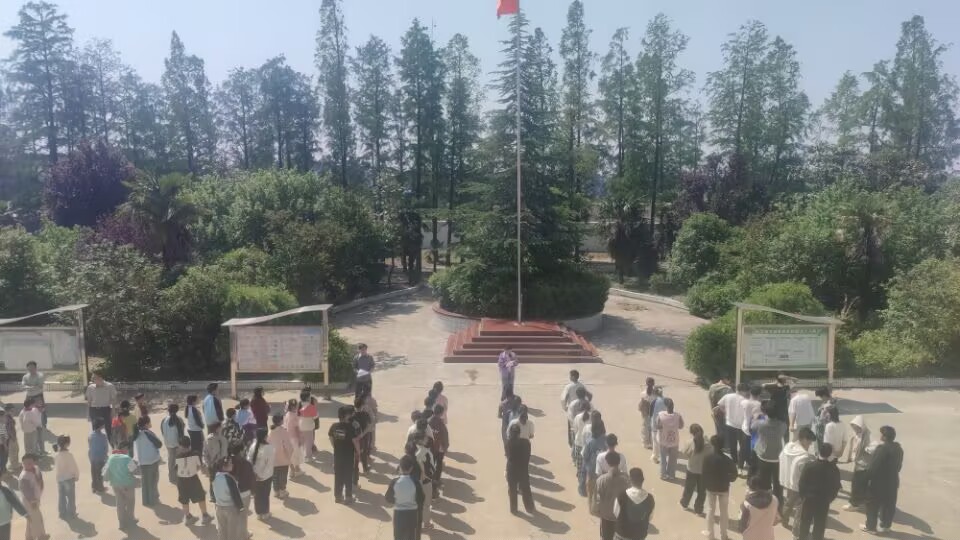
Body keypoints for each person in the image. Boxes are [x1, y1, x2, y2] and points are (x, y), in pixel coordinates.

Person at [862, 425, 903, 534]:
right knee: (888, 504)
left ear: (884, 436)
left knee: (872, 504)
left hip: (879, 482)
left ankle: (871, 527)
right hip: (892, 481)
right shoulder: (898, 449)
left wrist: (866, 478)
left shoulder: (882, 449)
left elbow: (874, 467)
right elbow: (899, 466)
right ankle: (885, 525)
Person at [796, 442, 841, 540]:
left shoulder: (809, 466)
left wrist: (803, 496)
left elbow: (801, 483)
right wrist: (830, 499)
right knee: (820, 525)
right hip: (824, 501)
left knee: (805, 522)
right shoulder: (834, 469)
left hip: (809, 499)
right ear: (830, 454)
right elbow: (836, 487)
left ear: (819, 451)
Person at [702, 434, 738, 540]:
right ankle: (723, 535)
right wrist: (727, 479)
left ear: (712, 444)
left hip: (711, 488)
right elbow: (734, 475)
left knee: (710, 510)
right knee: (724, 512)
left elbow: (703, 474)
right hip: (723, 488)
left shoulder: (707, 458)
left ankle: (710, 536)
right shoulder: (727, 459)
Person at [779, 426, 816, 529]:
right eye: (809, 442)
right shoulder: (804, 456)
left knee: (788, 503)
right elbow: (802, 472)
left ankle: (784, 520)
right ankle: (796, 529)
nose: (810, 444)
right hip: (798, 485)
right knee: (800, 508)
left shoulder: (788, 447)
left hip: (786, 480)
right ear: (803, 439)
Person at [752, 400, 787, 503]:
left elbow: (752, 427)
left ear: (765, 412)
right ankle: (778, 501)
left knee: (764, 480)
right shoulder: (783, 425)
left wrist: (757, 417)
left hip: (763, 456)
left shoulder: (760, 424)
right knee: (777, 481)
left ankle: (766, 500)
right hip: (777, 456)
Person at [175, 435, 213, 525]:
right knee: (200, 496)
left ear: (180, 446)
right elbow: (199, 467)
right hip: (193, 479)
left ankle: (188, 517)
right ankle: (205, 516)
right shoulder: (195, 454)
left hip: (181, 480)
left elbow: (176, 469)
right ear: (189, 445)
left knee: (184, 499)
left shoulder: (177, 456)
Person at [386, 454, 425, 540]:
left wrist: (397, 500)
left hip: (398, 514)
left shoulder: (394, 482)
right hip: (412, 514)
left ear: (400, 467)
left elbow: (388, 498)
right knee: (411, 536)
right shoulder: (416, 483)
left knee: (398, 537)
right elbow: (421, 499)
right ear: (411, 468)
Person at [595, 452, 631, 540]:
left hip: (606, 517)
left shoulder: (601, 480)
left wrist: (598, 512)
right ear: (619, 462)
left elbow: (597, 500)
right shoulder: (627, 479)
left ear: (607, 462)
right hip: (621, 517)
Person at [329, 406, 360, 504]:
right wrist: (358, 452)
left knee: (338, 475)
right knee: (348, 476)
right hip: (348, 455)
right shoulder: (350, 427)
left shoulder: (334, 426)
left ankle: (338, 496)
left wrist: (336, 447)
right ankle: (348, 497)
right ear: (346, 416)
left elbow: (331, 438)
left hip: (338, 455)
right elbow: (355, 441)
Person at [613, 468, 655, 540]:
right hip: (639, 535)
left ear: (630, 480)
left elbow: (616, 513)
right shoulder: (650, 499)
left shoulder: (622, 495)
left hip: (622, 534)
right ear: (642, 480)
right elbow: (650, 517)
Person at [103, 442, 137, 530]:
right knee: (130, 502)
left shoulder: (111, 458)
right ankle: (130, 519)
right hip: (127, 484)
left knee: (120, 504)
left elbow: (105, 473)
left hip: (115, 485)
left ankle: (121, 523)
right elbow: (134, 471)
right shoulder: (127, 458)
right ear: (124, 448)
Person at [715, 383, 748, 471]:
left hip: (729, 424)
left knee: (732, 445)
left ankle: (735, 462)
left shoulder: (728, 396)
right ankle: (740, 465)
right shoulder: (745, 400)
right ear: (743, 391)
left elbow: (719, 405)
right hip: (741, 426)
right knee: (742, 446)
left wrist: (725, 412)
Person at [680, 424, 711, 516]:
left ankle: (685, 504)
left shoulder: (690, 443)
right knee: (702, 492)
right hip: (703, 471)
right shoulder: (708, 444)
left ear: (692, 433)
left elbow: (684, 453)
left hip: (692, 469)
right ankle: (698, 510)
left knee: (688, 489)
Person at [843, 416, 873, 510]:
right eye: (853, 427)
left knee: (857, 484)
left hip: (864, 465)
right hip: (858, 463)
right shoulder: (857, 434)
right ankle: (860, 501)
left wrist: (867, 450)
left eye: (856, 427)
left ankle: (854, 504)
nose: (855, 429)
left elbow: (870, 448)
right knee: (859, 484)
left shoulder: (867, 436)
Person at [738, 474, 779, 540]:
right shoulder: (774, 499)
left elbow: (741, 526)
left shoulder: (746, 505)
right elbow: (775, 521)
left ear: (750, 488)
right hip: (768, 537)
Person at [212, 457, 245, 540]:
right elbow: (235, 494)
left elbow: (212, 492)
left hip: (218, 507)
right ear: (224, 467)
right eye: (230, 463)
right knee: (232, 531)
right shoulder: (229, 478)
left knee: (222, 529)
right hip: (230, 508)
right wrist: (240, 507)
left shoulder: (215, 476)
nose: (232, 464)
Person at [505, 423, 534, 515]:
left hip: (512, 469)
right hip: (523, 469)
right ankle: (529, 507)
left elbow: (508, 456)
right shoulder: (526, 443)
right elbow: (528, 456)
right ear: (519, 433)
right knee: (525, 488)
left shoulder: (508, 443)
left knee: (512, 490)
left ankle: (513, 509)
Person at [134, 417, 162, 506]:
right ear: (146, 424)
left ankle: (146, 501)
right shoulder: (148, 433)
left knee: (145, 481)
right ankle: (153, 499)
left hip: (142, 461)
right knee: (153, 480)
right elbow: (159, 444)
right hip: (151, 460)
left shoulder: (136, 434)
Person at [248, 427, 275, 520]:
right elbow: (269, 464)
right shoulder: (269, 448)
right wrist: (261, 475)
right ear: (265, 436)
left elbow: (249, 460)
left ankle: (259, 513)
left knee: (257, 495)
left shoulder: (253, 445)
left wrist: (254, 474)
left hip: (255, 476)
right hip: (266, 477)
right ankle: (265, 513)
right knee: (265, 495)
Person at [19, 453, 47, 540]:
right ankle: (40, 536)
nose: (28, 465)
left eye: (30, 462)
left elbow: (40, 478)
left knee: (31, 519)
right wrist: (33, 501)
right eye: (26, 463)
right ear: (23, 464)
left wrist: (41, 486)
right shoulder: (24, 476)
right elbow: (27, 491)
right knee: (36, 520)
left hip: (36, 499)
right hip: (29, 502)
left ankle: (29, 537)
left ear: (33, 462)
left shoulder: (36, 469)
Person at [229, 442, 254, 536]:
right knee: (243, 516)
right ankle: (244, 534)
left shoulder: (227, 462)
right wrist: (253, 491)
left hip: (231, 494)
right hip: (244, 493)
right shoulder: (247, 463)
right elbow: (251, 479)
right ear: (240, 451)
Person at [581, 417, 608, 504]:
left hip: (592, 472)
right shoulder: (607, 440)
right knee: (604, 495)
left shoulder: (590, 442)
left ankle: (591, 508)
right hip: (604, 472)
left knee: (591, 494)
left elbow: (585, 456)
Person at [655, 397, 683, 479]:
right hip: (674, 441)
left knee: (663, 459)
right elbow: (681, 426)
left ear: (666, 406)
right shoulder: (678, 415)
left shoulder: (660, 415)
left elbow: (657, 426)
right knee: (673, 459)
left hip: (663, 440)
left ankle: (663, 475)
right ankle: (671, 475)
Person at [85, 372, 118, 443]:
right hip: (94, 410)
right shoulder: (90, 387)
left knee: (109, 429)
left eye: (94, 378)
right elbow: (89, 401)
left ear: (100, 378)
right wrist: (88, 414)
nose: (92, 380)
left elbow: (113, 400)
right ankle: (96, 445)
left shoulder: (110, 386)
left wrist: (113, 411)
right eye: (92, 378)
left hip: (105, 410)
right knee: (95, 430)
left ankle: (112, 445)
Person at [561, 370, 591, 446]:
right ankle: (582, 441)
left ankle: (573, 443)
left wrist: (565, 407)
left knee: (572, 427)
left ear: (573, 377)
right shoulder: (581, 385)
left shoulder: (568, 387)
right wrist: (587, 403)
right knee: (582, 425)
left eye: (570, 375)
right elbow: (589, 395)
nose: (569, 377)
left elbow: (564, 398)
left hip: (572, 410)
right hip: (582, 408)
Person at [267, 414, 294, 499]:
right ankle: (282, 491)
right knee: (283, 475)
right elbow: (288, 445)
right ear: (281, 421)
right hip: (283, 457)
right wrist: (290, 455)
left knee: (275, 476)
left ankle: (276, 491)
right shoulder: (283, 431)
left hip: (273, 458)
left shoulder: (270, 431)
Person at [21, 362, 45, 453]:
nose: (31, 369)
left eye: (32, 367)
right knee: (27, 413)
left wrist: (29, 387)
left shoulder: (40, 376)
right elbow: (23, 385)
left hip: (38, 396)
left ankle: (40, 426)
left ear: (36, 367)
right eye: (29, 368)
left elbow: (40, 386)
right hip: (29, 397)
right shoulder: (25, 376)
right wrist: (32, 387)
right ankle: (31, 428)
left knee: (40, 413)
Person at [52, 435, 78, 520]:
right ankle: (72, 513)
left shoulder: (56, 455)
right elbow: (73, 467)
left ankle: (62, 513)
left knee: (61, 496)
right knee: (71, 497)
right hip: (69, 479)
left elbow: (56, 467)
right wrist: (76, 476)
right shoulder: (69, 455)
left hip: (60, 479)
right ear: (67, 444)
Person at [762, 374, 793, 442]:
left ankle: (781, 443)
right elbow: (763, 385)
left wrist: (787, 377)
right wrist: (776, 382)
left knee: (783, 429)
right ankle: (781, 443)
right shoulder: (774, 387)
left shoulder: (785, 387)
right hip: (777, 411)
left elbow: (763, 385)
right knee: (782, 429)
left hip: (780, 411)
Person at [203, 423, 228, 504]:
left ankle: (221, 496)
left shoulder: (223, 438)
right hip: (213, 463)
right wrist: (207, 463)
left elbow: (225, 451)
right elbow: (205, 453)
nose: (222, 428)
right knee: (213, 480)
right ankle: (213, 496)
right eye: (221, 427)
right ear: (217, 429)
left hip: (222, 462)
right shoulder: (210, 439)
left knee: (222, 480)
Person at [740, 386, 763, 472]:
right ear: (759, 394)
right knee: (753, 449)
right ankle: (752, 465)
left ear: (750, 392)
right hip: (753, 430)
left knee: (743, 448)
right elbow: (756, 418)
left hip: (744, 427)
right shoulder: (758, 404)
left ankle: (741, 466)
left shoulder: (744, 402)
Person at [161, 403, 185, 485]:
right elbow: (181, 431)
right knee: (178, 460)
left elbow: (162, 431)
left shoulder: (164, 419)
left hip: (168, 443)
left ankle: (171, 477)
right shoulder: (179, 419)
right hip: (177, 443)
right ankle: (179, 476)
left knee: (171, 460)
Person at [428, 403, 448, 495]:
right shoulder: (441, 424)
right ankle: (436, 480)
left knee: (430, 464)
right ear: (441, 413)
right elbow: (445, 438)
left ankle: (431, 479)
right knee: (438, 464)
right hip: (439, 449)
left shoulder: (428, 421)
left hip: (430, 448)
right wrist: (445, 448)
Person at [88, 418, 109, 494]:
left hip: (93, 457)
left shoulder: (90, 435)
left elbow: (90, 445)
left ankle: (94, 487)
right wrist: (106, 455)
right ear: (100, 426)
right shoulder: (103, 436)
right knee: (100, 473)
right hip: (100, 457)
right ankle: (100, 487)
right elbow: (105, 447)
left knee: (93, 472)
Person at [282, 401, 303, 478]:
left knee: (289, 455)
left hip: (287, 438)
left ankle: (292, 471)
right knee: (296, 454)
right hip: (294, 438)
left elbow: (284, 426)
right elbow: (297, 428)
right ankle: (297, 470)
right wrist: (300, 439)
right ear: (294, 407)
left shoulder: (287, 414)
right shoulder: (295, 416)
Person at [298, 388, 319, 461]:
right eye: (309, 397)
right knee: (309, 442)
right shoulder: (311, 407)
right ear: (307, 398)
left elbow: (297, 415)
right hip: (309, 427)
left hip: (301, 425)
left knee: (303, 441)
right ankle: (308, 457)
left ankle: (302, 455)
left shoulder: (299, 405)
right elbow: (315, 416)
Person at [638, 378, 657, 450]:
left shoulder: (656, 394)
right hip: (646, 414)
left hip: (653, 414)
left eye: (651, 383)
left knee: (652, 429)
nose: (650, 385)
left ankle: (651, 443)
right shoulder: (643, 394)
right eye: (649, 383)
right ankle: (646, 443)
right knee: (646, 429)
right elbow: (641, 405)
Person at [648, 386, 666, 463]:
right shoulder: (666, 400)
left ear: (654, 393)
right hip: (665, 424)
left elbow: (650, 414)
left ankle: (655, 457)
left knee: (655, 442)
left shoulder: (654, 402)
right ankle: (663, 457)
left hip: (655, 425)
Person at [4, 405, 18, 474]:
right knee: (13, 451)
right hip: (11, 438)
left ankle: (14, 464)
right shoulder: (8, 419)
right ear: (7, 411)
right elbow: (9, 430)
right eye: (12, 411)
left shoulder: (7, 417)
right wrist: (13, 438)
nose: (13, 412)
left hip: (9, 438)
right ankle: (14, 465)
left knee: (13, 451)